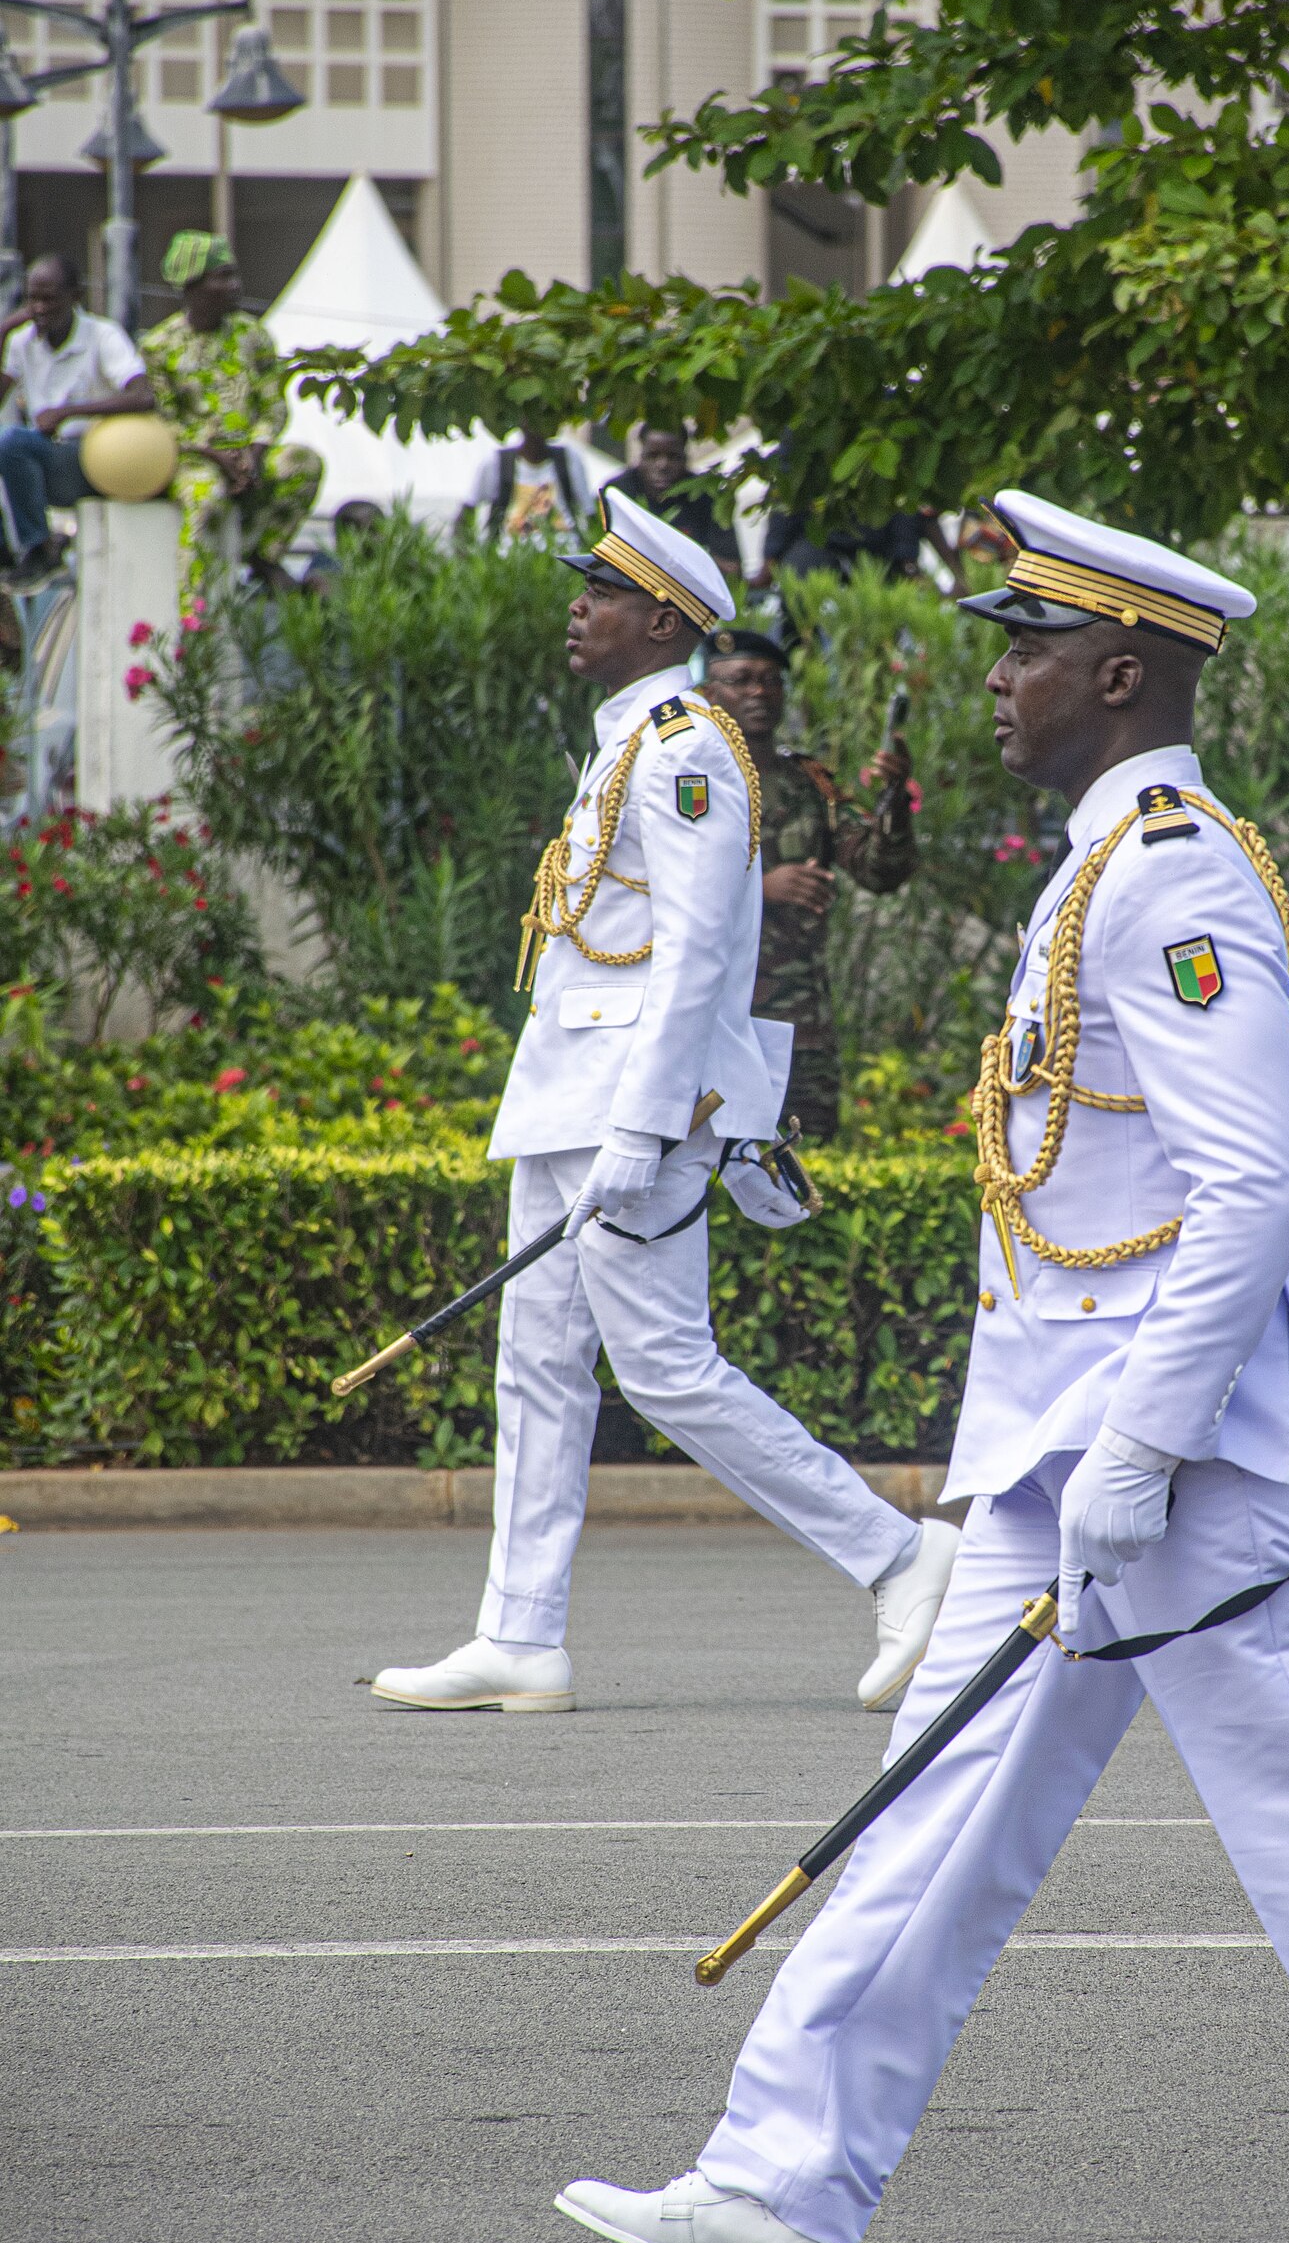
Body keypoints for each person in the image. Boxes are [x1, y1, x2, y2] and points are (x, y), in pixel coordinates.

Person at [554, 488, 1289, 2243]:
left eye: (1025, 648)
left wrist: (1134, 1448)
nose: (999, 681)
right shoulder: (1109, 861)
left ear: (1120, 670)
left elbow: (1250, 1189)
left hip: (1182, 1462)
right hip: (1075, 1458)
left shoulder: (1177, 871)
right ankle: (784, 2186)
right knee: (932, 1811)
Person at [369, 486, 960, 1720]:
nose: (577, 609)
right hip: (574, 1095)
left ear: (659, 617)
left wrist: (644, 1128)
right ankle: (519, 1634)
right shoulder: (631, 736)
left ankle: (905, 1558)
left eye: (600, 594)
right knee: (537, 1368)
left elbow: (699, 950)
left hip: (635, 1107)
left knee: (667, 1367)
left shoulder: (688, 748)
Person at [701, 622, 919, 1137]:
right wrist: (759, 890)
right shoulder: (690, 780)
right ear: (709, 694)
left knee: (807, 1155)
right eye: (742, 679)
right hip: (713, 1011)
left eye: (770, 681)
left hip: (800, 1021)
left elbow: (878, 871)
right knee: (707, 1158)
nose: (758, 692)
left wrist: (894, 799)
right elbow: (650, 886)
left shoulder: (807, 782)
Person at [142, 231, 324, 610]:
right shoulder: (159, 346)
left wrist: (255, 453)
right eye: (222, 276)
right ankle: (192, 608)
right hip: (193, 460)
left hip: (247, 452)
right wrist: (214, 456)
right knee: (206, 496)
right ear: (193, 284)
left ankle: (261, 556)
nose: (235, 285)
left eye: (233, 275)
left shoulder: (253, 336)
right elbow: (162, 424)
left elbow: (273, 408)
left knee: (303, 463)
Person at [0, 251, 154, 584]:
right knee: (10, 443)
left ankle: (40, 548)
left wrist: (69, 412)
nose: (39, 308)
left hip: (99, 458)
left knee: (11, 441)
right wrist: (2, 332)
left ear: (75, 297)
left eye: (50, 299)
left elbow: (143, 396)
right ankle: (21, 550)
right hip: (45, 460)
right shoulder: (21, 341)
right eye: (32, 299)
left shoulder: (102, 334)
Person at [602, 422, 741, 588]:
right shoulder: (616, 493)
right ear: (640, 456)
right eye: (652, 456)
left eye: (673, 457)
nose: (662, 465)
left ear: (686, 456)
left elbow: (731, 569)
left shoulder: (707, 495)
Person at [463, 424, 598, 548]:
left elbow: (590, 514)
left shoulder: (569, 458)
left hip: (564, 558)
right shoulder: (496, 462)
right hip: (509, 561)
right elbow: (466, 512)